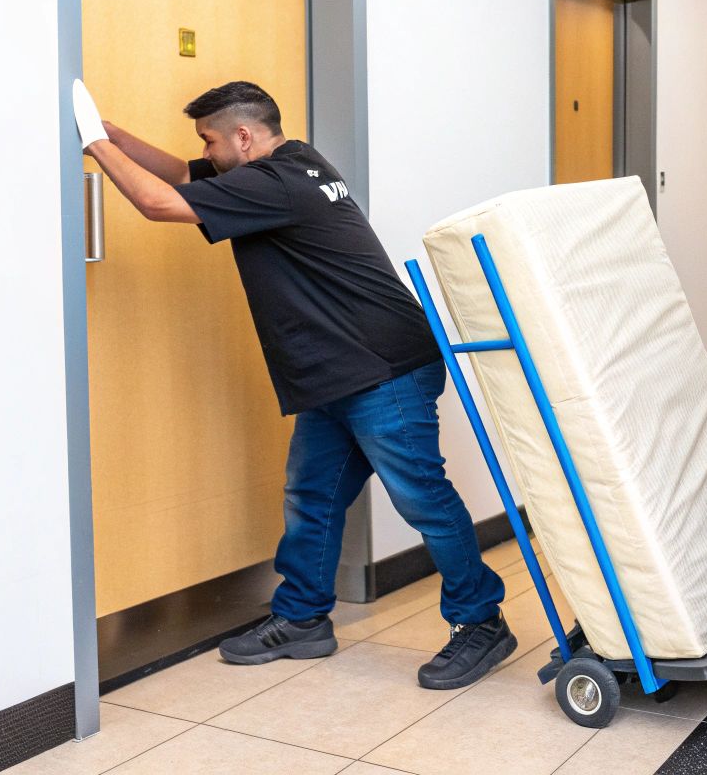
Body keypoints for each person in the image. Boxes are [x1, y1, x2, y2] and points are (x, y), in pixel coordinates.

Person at [71, 78, 516, 690]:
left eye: (211, 140)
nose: (205, 152)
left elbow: (157, 200)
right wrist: (109, 135)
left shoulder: (273, 184)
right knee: (313, 496)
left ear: (244, 137)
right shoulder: (295, 161)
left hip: (382, 367)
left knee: (423, 500)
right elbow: (179, 173)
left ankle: (482, 621)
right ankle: (304, 619)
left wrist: (93, 143)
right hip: (340, 370)